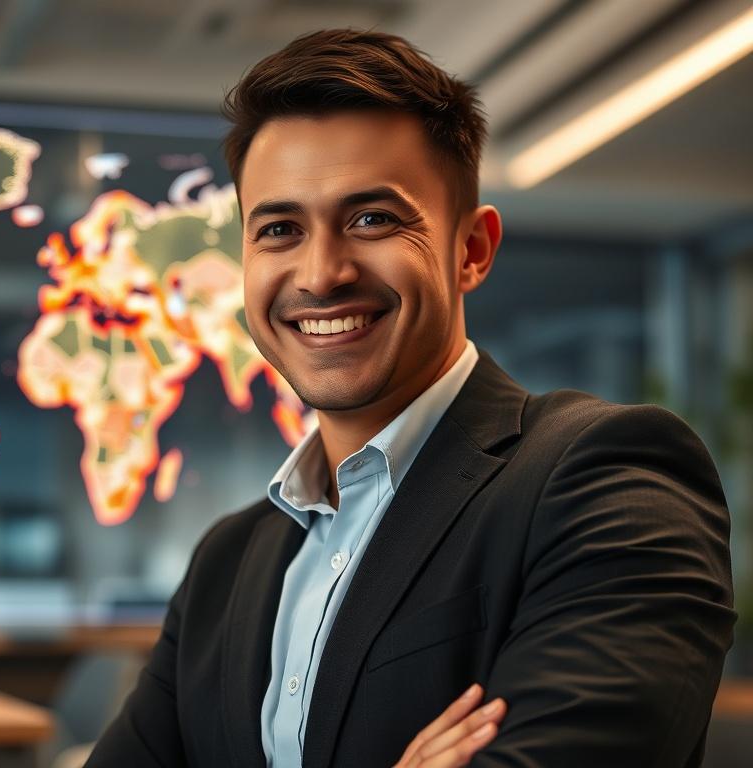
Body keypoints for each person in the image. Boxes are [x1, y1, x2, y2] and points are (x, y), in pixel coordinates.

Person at [85, 29, 735, 768]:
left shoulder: (606, 480)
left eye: (373, 219)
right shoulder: (227, 563)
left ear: (472, 250)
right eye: (279, 229)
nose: (321, 272)